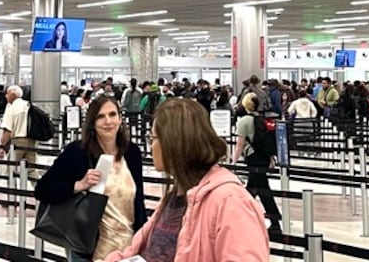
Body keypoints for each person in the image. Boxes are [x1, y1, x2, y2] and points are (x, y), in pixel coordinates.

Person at [100, 98, 268, 262]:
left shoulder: (229, 201)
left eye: (153, 139)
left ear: (173, 143)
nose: (151, 146)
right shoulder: (176, 196)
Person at [35, 96, 145, 261]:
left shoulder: (131, 152)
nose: (108, 121)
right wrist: (79, 185)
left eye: (112, 114)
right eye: (100, 116)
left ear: (120, 119)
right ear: (92, 122)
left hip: (128, 248)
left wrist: (144, 238)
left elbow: (138, 200)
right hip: (90, 249)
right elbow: (43, 190)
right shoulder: (78, 152)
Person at [231, 93, 281, 234]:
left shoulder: (244, 121)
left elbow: (239, 145)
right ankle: (241, 218)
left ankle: (275, 222)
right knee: (251, 190)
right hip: (263, 158)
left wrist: (233, 163)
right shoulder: (262, 119)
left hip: (253, 159)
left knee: (263, 190)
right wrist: (271, 158)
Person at [0, 86, 38, 180]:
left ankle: (12, 193)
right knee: (31, 170)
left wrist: (2, 147)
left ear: (13, 95)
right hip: (32, 140)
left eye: (7, 94)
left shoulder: (12, 108)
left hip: (18, 142)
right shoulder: (28, 105)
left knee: (10, 169)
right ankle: (41, 191)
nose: (6, 96)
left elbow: (7, 130)